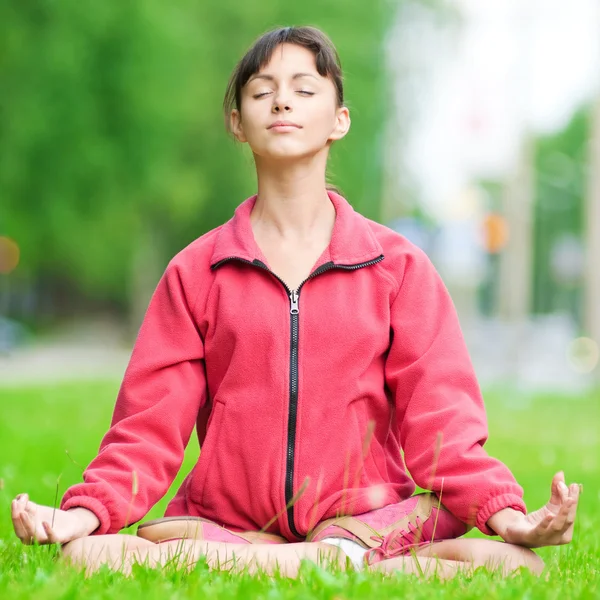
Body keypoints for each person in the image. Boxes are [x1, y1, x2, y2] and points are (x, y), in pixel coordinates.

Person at [11, 26, 580, 579]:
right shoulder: (196, 272)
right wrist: (83, 515)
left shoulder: (399, 268)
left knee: (515, 564)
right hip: (229, 522)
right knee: (86, 554)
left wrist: (510, 518)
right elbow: (147, 428)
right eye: (262, 91)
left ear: (340, 120)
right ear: (237, 121)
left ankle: (315, 555)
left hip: (366, 518)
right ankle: (326, 563)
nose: (282, 100)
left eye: (304, 89)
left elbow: (443, 427)